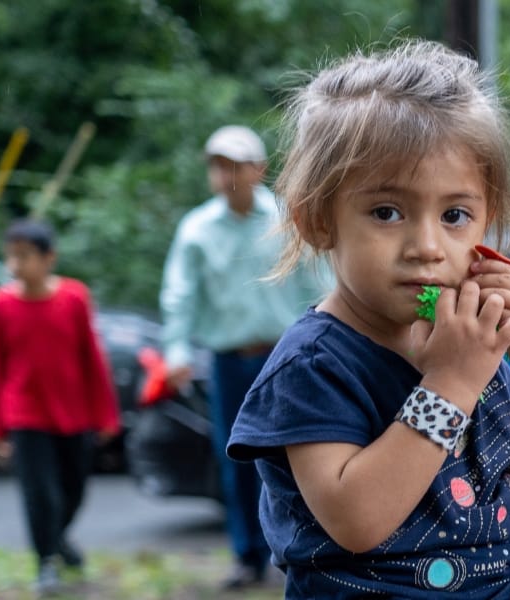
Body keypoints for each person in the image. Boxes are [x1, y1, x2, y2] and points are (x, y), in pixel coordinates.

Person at [225, 41, 510, 598]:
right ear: (318, 220)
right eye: (387, 212)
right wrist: (451, 384)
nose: (428, 246)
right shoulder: (312, 366)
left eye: (455, 215)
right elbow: (358, 521)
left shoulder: (471, 343)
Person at [159, 122, 326, 589]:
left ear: (259, 169)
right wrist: (176, 349)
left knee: (302, 454)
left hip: (286, 355)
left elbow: (317, 281)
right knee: (235, 459)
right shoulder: (196, 230)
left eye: (234, 164)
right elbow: (181, 295)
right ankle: (245, 555)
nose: (224, 173)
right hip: (230, 359)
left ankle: (299, 549)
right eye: (217, 164)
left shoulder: (284, 218)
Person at [0, 219, 120, 593]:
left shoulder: (74, 297)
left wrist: (106, 414)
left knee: (73, 488)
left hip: (72, 412)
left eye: (24, 256)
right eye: (11, 256)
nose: (16, 265)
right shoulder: (0, 304)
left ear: (49, 258)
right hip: (25, 413)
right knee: (39, 491)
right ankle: (46, 560)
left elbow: (92, 359)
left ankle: (57, 539)